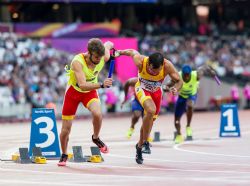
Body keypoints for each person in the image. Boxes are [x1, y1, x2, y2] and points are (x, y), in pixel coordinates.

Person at [116, 50, 182, 164]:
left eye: (155, 70)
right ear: (148, 63)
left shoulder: (167, 66)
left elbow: (179, 81)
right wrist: (119, 52)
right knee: (150, 110)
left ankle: (139, 146)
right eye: (150, 69)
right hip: (141, 89)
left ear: (162, 66)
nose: (152, 72)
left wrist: (177, 88)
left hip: (156, 93)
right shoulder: (141, 61)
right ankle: (146, 142)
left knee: (148, 122)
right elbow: (132, 52)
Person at [58, 38, 114, 166]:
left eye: (100, 58)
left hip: (90, 92)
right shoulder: (77, 62)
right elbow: (82, 85)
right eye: (95, 58)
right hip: (74, 92)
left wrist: (115, 50)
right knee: (66, 129)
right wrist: (101, 84)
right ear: (89, 53)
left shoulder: (102, 57)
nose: (98, 61)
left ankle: (95, 137)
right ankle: (64, 153)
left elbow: (109, 44)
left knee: (98, 114)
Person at [171, 64, 216, 144]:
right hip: (181, 97)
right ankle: (179, 135)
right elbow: (169, 83)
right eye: (185, 76)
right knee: (176, 120)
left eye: (188, 76)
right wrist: (166, 88)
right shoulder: (178, 75)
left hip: (191, 95)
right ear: (183, 74)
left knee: (190, 104)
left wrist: (211, 71)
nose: (187, 78)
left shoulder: (196, 75)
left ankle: (188, 126)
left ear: (190, 73)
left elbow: (204, 67)